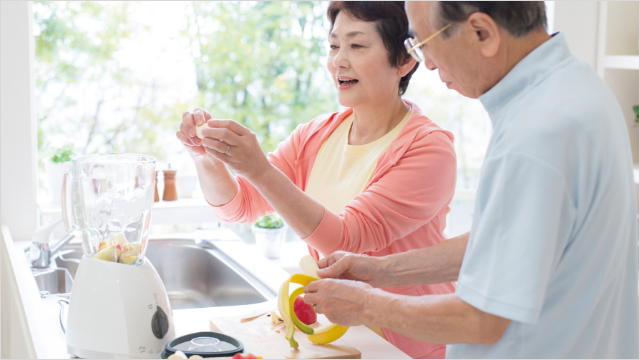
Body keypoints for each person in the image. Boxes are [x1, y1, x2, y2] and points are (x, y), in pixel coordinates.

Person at [302, 2, 639, 358]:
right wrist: (381, 270)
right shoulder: (578, 86)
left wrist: (367, 305)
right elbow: (508, 244)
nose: (427, 63)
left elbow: (483, 320)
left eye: (423, 42)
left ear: (482, 33)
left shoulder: (535, 136)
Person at [176, 2, 457, 358]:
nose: (338, 60)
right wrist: (206, 157)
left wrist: (259, 168)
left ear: (405, 60)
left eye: (356, 46)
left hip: (407, 343)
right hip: (341, 333)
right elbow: (241, 207)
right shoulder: (317, 134)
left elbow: (347, 240)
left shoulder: (428, 149)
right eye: (334, 45)